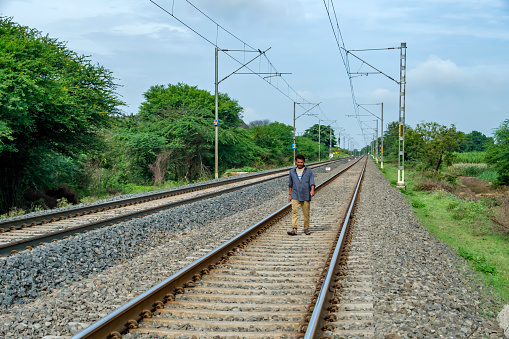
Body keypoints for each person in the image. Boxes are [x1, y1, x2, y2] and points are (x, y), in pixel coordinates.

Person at [287, 154, 315, 236]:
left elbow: (312, 182)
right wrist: (289, 195)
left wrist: (312, 190)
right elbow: (290, 184)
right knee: (294, 212)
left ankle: (306, 228)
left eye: (301, 162)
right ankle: (294, 229)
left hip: (306, 195)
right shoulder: (292, 171)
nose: (300, 164)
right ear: (296, 162)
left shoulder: (308, 171)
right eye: (298, 162)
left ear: (304, 162)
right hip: (295, 194)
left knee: (306, 213)